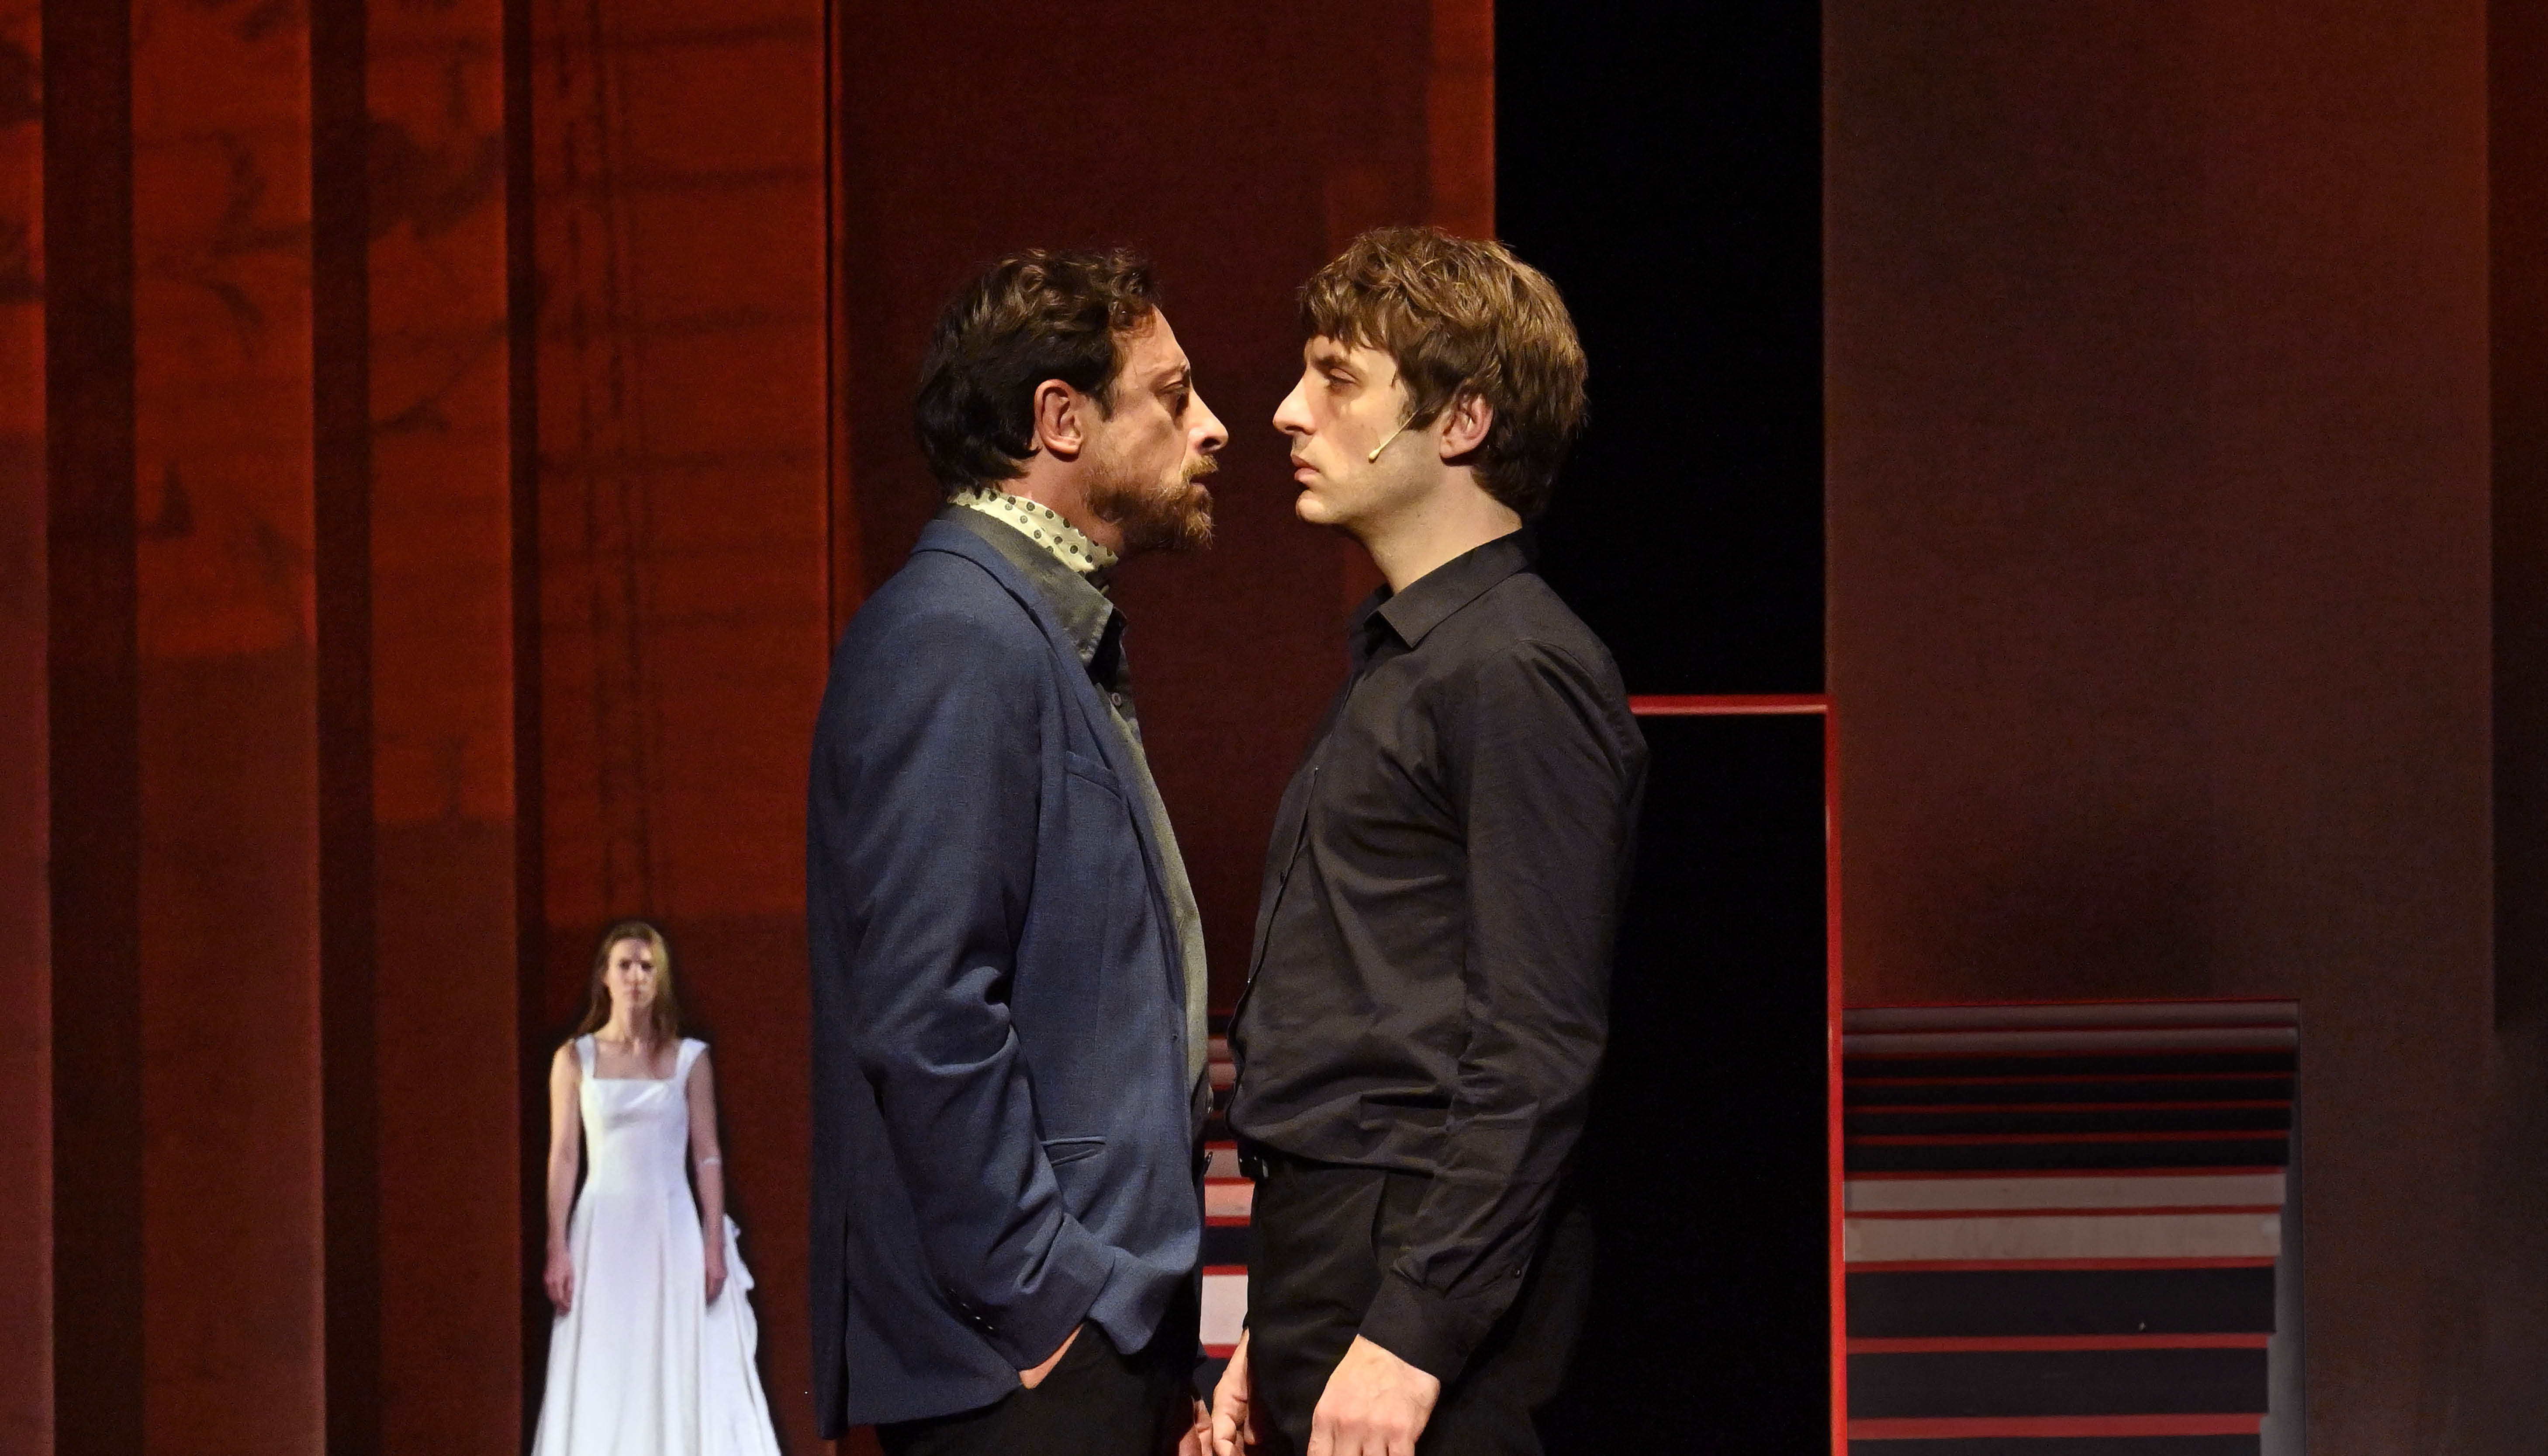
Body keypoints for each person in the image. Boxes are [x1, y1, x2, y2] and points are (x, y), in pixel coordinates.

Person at [1211, 228, 1647, 1456]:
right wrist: (1280, 1320)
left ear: (1461, 421)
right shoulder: (1412, 657)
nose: (1289, 411)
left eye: (1337, 378)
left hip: (1416, 1256)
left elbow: (1538, 1044)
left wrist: (1411, 1330)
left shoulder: (1518, 667)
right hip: (1345, 1247)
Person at [807, 248, 1227, 1456]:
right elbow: (926, 1008)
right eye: (1171, 396)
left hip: (1075, 1342)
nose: (1212, 427)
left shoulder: (1023, 624)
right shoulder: (957, 633)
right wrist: (1051, 1303)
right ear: (1060, 419)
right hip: (1018, 1361)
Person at [533, 920, 783, 1456]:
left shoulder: (690, 1058)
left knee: (675, 1356)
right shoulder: (573, 1059)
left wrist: (713, 1240)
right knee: (607, 1362)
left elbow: (707, 1154)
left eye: (647, 966)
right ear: (605, 977)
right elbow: (564, 1155)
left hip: (670, 1229)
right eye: (625, 965)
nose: (636, 976)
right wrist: (557, 1244)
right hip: (602, 1234)